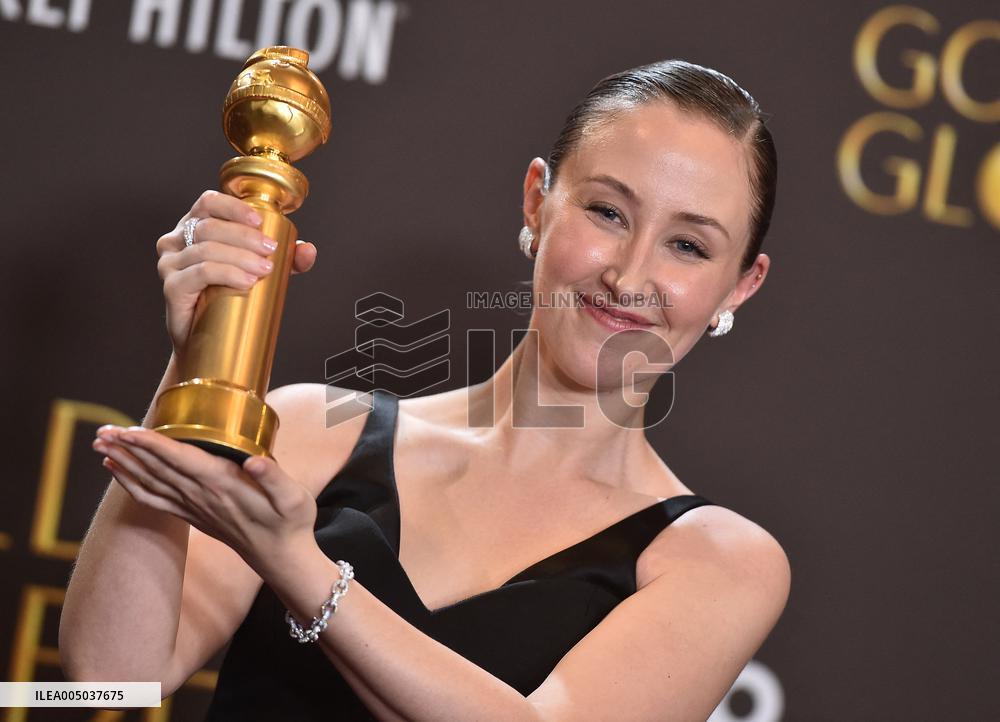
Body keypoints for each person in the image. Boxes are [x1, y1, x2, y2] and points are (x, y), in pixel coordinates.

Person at [60, 58, 790, 721]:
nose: (628, 277)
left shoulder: (718, 560)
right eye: (607, 212)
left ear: (741, 285)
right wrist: (202, 353)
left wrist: (296, 564)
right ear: (537, 201)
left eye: (688, 245)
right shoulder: (312, 432)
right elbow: (111, 676)